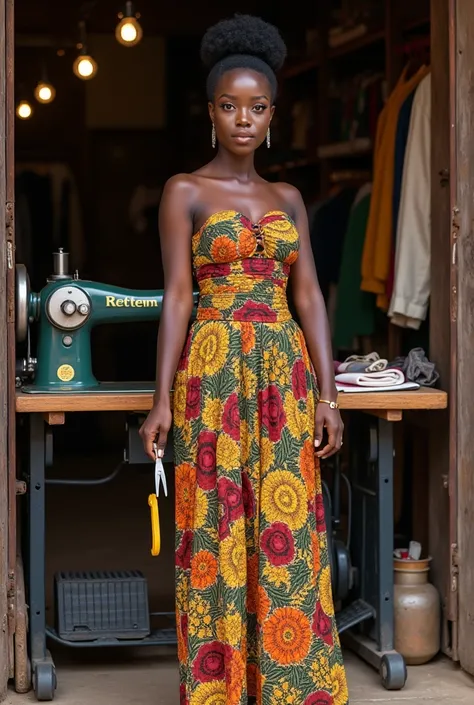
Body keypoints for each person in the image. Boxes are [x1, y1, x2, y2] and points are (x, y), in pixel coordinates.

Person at [140, 14, 348, 705]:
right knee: (219, 524)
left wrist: (329, 393)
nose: (243, 119)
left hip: (285, 376)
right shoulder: (185, 191)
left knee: (286, 521)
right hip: (216, 371)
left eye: (256, 108)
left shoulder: (287, 197)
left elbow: (311, 295)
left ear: (272, 115)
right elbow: (175, 296)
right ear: (210, 112)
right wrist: (161, 397)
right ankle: (219, 687)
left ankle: (290, 682)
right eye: (229, 106)